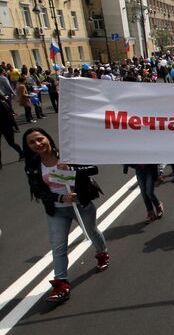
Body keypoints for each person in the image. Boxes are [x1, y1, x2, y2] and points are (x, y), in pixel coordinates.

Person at [22, 128, 109, 302]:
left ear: (48, 138)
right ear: (28, 147)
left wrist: (71, 167)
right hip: (56, 210)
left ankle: (102, 253)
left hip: (81, 205)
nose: (38, 144)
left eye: (40, 139)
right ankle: (61, 284)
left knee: (92, 232)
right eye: (32, 142)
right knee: (58, 246)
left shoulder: (67, 154)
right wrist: (61, 197)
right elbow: (39, 191)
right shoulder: (32, 165)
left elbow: (93, 168)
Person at [0, 94, 24, 168]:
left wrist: (15, 126)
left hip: (6, 126)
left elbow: (10, 115)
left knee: (11, 143)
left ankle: (21, 153)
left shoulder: (2, 103)